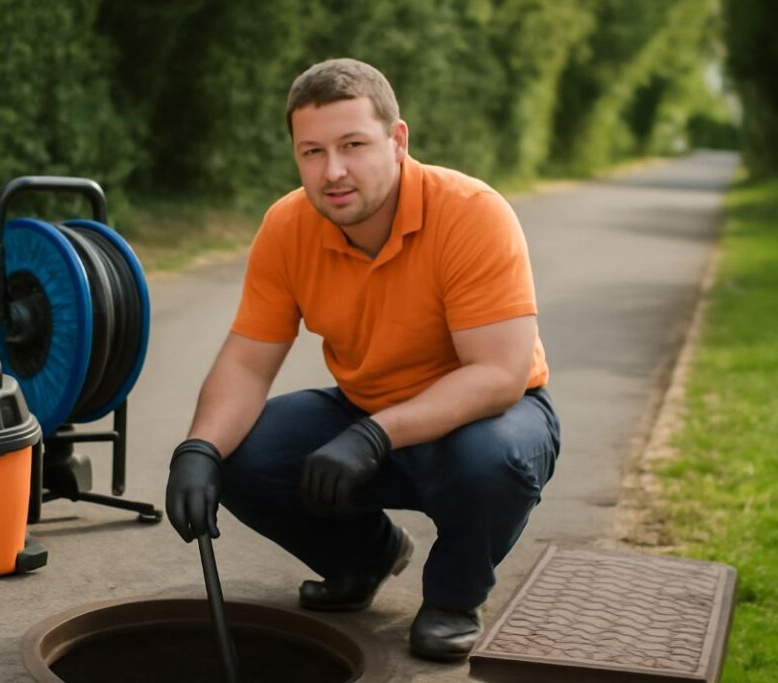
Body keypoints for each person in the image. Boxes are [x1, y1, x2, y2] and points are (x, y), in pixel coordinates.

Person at [165, 57, 560, 661]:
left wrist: (376, 436)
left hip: (490, 416)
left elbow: (499, 375)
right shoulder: (288, 226)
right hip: (368, 407)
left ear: (397, 141)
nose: (334, 171)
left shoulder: (472, 212)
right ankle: (362, 560)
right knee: (240, 453)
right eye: (312, 152)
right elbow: (247, 362)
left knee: (491, 460)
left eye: (353, 145)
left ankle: (454, 597)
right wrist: (199, 450)